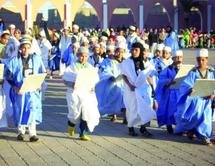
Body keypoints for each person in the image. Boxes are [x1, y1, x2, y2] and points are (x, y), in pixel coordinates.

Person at [5, 37, 46, 142]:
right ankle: (20, 132)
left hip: (32, 90)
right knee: (20, 110)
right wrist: (14, 86)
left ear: (30, 48)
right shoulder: (14, 60)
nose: (25, 50)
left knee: (32, 110)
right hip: (20, 90)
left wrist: (39, 83)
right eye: (23, 48)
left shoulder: (36, 59)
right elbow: (8, 75)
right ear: (20, 48)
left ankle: (32, 133)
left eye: (27, 48)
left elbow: (42, 72)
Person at [174, 49, 215, 145]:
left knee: (206, 118)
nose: (201, 62)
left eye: (203, 60)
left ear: (207, 60)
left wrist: (213, 95)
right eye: (199, 60)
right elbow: (185, 84)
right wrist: (189, 89)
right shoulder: (193, 72)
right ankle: (192, 130)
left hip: (207, 100)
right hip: (195, 100)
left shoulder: (212, 72)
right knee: (195, 116)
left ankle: (205, 136)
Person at [118, 42, 156, 137]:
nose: (134, 52)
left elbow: (146, 74)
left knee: (144, 107)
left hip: (142, 88)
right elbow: (123, 75)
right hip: (130, 89)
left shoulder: (145, 62)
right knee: (132, 108)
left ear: (141, 51)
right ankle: (130, 127)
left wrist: (151, 85)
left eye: (136, 50)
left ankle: (143, 129)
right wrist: (130, 85)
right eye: (133, 50)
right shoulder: (126, 62)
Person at [63, 47, 100, 141]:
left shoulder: (90, 67)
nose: (83, 58)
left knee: (86, 112)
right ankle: (71, 124)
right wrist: (72, 85)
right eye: (81, 56)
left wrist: (93, 87)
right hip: (75, 93)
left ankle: (83, 133)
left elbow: (94, 79)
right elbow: (65, 79)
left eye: (85, 56)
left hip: (87, 93)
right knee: (75, 113)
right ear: (77, 56)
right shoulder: (72, 67)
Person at [155, 50, 184, 134]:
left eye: (180, 57)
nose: (178, 59)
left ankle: (179, 126)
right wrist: (168, 81)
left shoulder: (185, 68)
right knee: (170, 110)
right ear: (173, 58)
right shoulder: (167, 69)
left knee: (180, 110)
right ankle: (169, 124)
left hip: (181, 93)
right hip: (170, 93)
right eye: (176, 57)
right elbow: (161, 81)